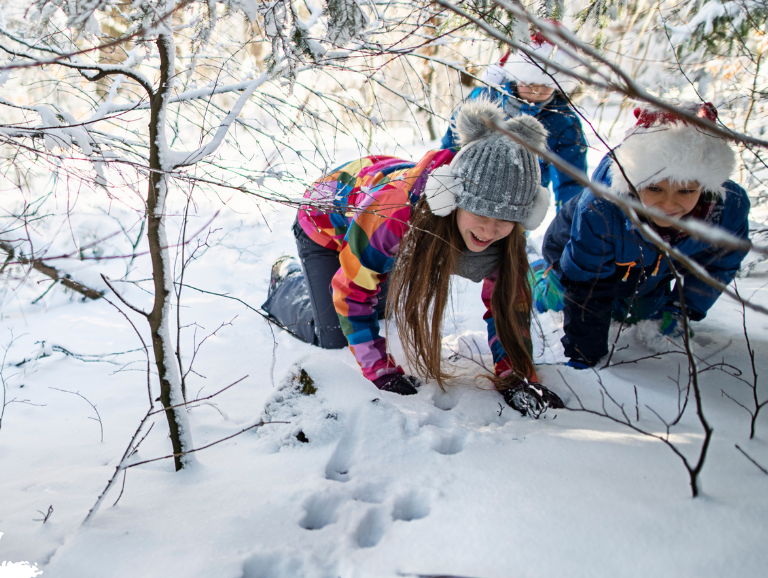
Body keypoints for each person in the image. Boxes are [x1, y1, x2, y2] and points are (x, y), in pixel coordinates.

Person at [262, 99, 564, 417]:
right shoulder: (395, 216)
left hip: (378, 225)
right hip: (325, 218)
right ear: (452, 198)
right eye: (480, 214)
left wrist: (515, 375)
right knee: (335, 333)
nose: (490, 230)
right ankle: (288, 281)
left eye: (504, 220)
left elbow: (509, 304)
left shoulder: (505, 232)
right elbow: (351, 293)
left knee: (378, 306)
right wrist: (380, 372)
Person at [532, 102, 750, 369]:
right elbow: (586, 284)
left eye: (685, 191)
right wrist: (584, 355)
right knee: (558, 300)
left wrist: (682, 309)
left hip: (646, 270)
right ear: (632, 182)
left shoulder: (728, 209)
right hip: (575, 255)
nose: (668, 205)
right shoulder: (601, 207)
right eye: (655, 189)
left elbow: (718, 265)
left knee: (638, 315)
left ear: (705, 187)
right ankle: (538, 276)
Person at [440, 31, 588, 208]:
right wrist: (441, 184)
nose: (537, 91)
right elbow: (452, 144)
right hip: (470, 193)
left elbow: (571, 180)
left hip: (521, 204)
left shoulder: (562, 121)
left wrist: (568, 218)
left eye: (546, 85)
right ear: (517, 75)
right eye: (530, 83)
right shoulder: (486, 99)